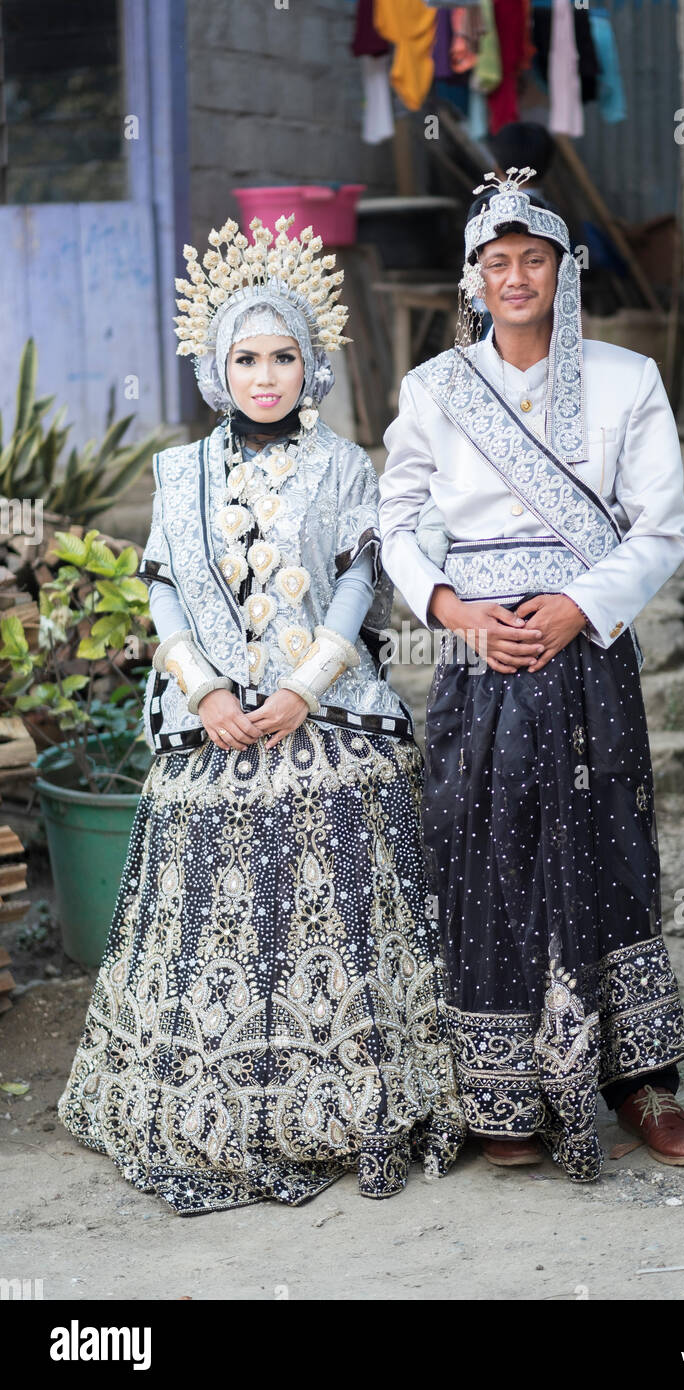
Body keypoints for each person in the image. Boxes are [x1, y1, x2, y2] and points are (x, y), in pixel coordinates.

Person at [57, 213, 465, 1214]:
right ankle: (206, 1092)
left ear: (311, 364)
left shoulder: (342, 466)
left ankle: (346, 1089)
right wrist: (200, 687)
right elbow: (159, 589)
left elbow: (358, 586)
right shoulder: (177, 472)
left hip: (319, 706)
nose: (267, 375)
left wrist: (301, 689)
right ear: (216, 369)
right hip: (209, 716)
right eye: (246, 357)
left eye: (285, 355)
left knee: (336, 789)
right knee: (201, 812)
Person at [378, 169, 684, 1178]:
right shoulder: (433, 390)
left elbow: (660, 529)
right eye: (496, 260)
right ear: (473, 279)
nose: (513, 275)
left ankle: (638, 1079)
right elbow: (395, 520)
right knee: (485, 851)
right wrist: (452, 611)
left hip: (586, 649)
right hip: (479, 654)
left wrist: (579, 606)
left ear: (561, 273)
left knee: (607, 847)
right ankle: (501, 1093)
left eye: (533, 258)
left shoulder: (624, 380)